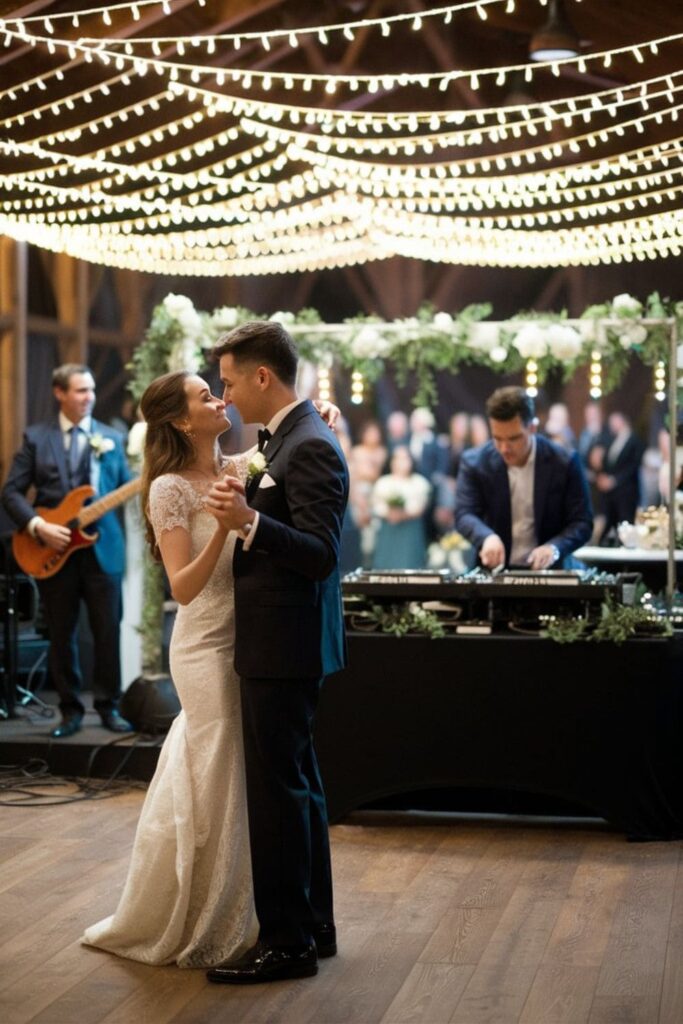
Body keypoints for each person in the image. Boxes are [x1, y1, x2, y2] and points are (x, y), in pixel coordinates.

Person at [81, 368, 341, 968]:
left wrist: (322, 415)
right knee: (221, 764)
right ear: (179, 419)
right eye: (206, 395)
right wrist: (224, 533)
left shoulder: (238, 467)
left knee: (255, 773)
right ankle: (214, 912)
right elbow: (184, 589)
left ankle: (266, 912)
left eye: (218, 388)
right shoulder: (168, 488)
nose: (220, 398)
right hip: (202, 643)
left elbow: (286, 440)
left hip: (251, 636)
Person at [204, 321, 349, 985]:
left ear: (263, 377)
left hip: (282, 643)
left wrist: (249, 525)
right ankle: (312, 926)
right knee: (299, 787)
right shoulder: (283, 438)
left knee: (277, 793)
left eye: (230, 381)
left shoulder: (310, 445)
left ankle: (285, 943)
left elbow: (321, 555)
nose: (225, 394)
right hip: (278, 641)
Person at [1, 363, 133, 737]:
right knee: (63, 632)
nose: (89, 397)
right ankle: (70, 711)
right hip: (51, 549)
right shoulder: (36, 438)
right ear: (60, 393)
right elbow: (11, 492)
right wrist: (38, 526)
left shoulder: (113, 438)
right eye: (80, 391)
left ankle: (109, 706)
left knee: (108, 631)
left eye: (91, 390)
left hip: (103, 548)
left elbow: (124, 488)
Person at [455, 386, 593, 569]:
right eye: (497, 438)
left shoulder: (564, 462)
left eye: (513, 438)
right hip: (494, 573)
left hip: (550, 573)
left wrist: (555, 548)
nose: (504, 448)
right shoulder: (475, 462)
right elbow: (464, 514)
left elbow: (582, 522)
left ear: (533, 428)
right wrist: (486, 537)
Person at [371, 446, 431, 569]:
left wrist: (403, 514)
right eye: (397, 458)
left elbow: (421, 506)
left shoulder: (419, 482)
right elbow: (375, 505)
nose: (401, 462)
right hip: (388, 531)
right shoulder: (383, 482)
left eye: (405, 458)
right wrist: (390, 513)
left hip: (410, 532)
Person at [595, 411, 645, 540]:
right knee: (610, 524)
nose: (611, 425)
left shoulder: (634, 440)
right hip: (612, 494)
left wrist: (615, 480)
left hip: (627, 491)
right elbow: (608, 462)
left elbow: (633, 466)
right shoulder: (612, 440)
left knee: (626, 525)